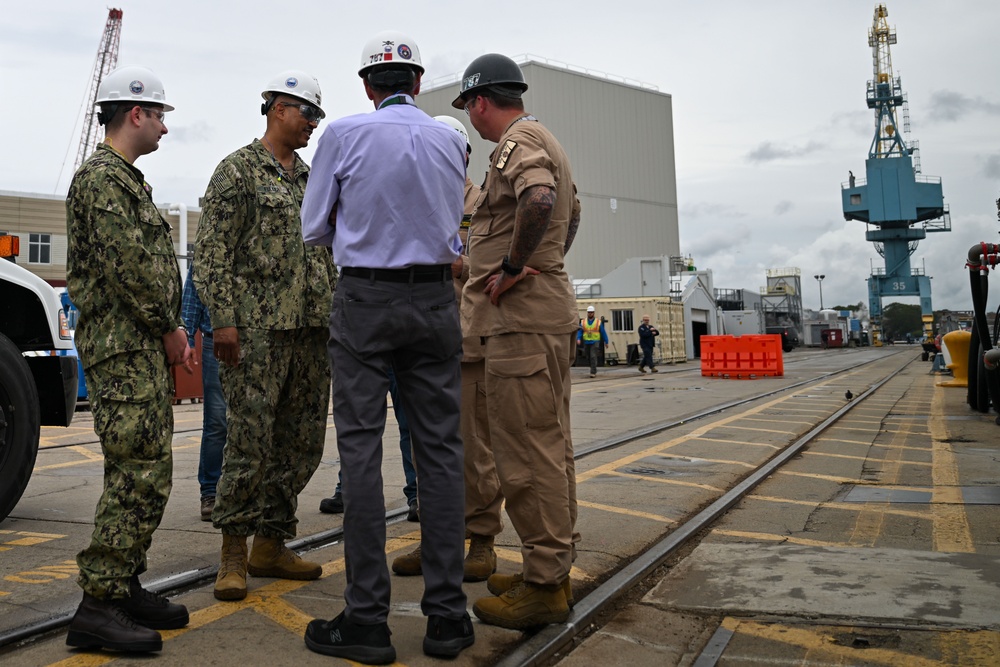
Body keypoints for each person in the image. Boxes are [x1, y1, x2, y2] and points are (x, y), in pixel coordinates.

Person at [299, 32, 473, 663]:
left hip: (366, 299)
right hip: (434, 300)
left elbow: (314, 227)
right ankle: (448, 617)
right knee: (441, 454)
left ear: (368, 86)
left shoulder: (343, 135)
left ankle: (367, 619)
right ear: (418, 83)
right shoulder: (450, 140)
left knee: (361, 454)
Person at [194, 70, 335, 603]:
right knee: (249, 442)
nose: (313, 124)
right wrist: (223, 319)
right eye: (308, 113)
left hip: (311, 330)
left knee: (302, 442)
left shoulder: (311, 178)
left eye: (318, 116)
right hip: (256, 332)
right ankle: (233, 551)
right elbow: (212, 252)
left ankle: (271, 544)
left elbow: (327, 249)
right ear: (278, 108)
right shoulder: (237, 171)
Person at [64, 65, 191, 653]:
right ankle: (98, 604)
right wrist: (169, 328)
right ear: (135, 113)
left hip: (136, 349)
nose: (164, 126)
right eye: (159, 115)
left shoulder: (126, 180)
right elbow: (131, 268)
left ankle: (122, 585)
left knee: (144, 469)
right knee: (138, 472)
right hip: (125, 349)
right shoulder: (102, 180)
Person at [455, 53, 582, 629]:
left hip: (521, 324)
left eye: (469, 107)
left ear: (481, 101)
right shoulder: (546, 138)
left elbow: (541, 200)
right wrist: (541, 260)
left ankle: (545, 585)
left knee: (527, 453)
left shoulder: (517, 141)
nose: (471, 118)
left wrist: (513, 266)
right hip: (540, 317)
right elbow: (571, 217)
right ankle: (548, 568)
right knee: (549, 447)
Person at [390, 115, 503, 583]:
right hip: (420, 343)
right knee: (425, 449)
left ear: (463, 156)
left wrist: (459, 266)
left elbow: (496, 267)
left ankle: (482, 540)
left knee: (474, 449)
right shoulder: (413, 203)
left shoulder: (484, 204)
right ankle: (437, 539)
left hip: (466, 343)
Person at [320, 368, 419, 522]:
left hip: (401, 359)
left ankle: (416, 495)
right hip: (368, 359)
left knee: (409, 426)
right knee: (359, 427)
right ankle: (349, 490)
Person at [181, 261, 227, 521]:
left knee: (256, 421)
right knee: (217, 421)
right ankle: (210, 492)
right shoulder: (211, 241)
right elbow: (193, 289)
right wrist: (187, 336)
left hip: (258, 339)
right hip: (216, 341)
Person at [577, 305, 609, 378]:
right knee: (588, 357)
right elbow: (580, 331)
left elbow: (603, 332)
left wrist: (606, 341)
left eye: (591, 312)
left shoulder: (598, 322)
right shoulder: (583, 322)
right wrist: (578, 338)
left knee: (593, 356)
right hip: (586, 342)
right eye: (589, 312)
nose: (590, 313)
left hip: (595, 342)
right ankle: (593, 368)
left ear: (593, 313)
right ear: (587, 313)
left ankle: (593, 372)